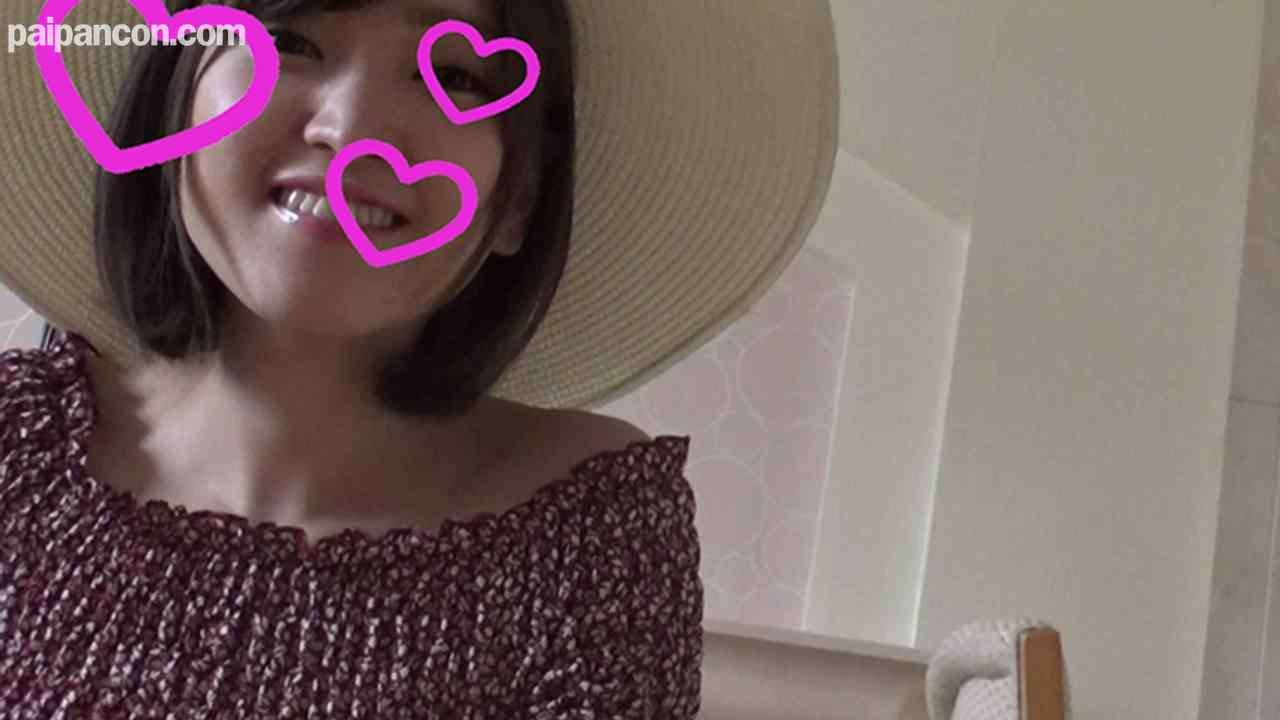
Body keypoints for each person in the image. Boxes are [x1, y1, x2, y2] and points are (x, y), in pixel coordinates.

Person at [0, 0, 838, 716]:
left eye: (455, 76)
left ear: (518, 196)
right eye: (289, 39)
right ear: (172, 105)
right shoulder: (15, 445)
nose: (351, 130)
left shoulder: (587, 536)